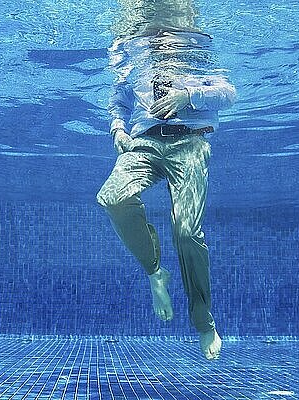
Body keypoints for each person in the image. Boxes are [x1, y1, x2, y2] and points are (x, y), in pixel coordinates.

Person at [96, 0, 236, 360]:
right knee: (113, 198)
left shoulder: (197, 46)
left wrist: (189, 94)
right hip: (143, 143)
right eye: (152, 29)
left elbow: (228, 93)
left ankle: (204, 322)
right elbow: (120, 96)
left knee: (186, 232)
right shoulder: (131, 48)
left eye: (166, 29)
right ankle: (156, 273)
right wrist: (117, 127)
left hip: (190, 141)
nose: (160, 37)